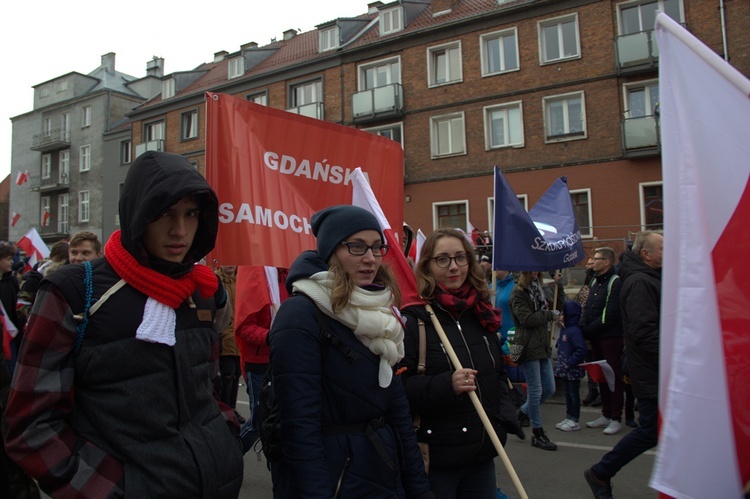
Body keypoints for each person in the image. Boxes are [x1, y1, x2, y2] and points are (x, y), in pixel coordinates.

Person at [3, 151, 244, 498]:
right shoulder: (72, 291)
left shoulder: (201, 291)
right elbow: (31, 425)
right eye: (164, 214)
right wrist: (112, 491)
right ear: (138, 215)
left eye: (191, 214)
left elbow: (205, 391)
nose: (180, 230)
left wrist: (225, 439)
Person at [268, 205, 433, 499]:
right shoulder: (300, 315)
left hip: (382, 469)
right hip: (336, 478)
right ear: (332, 251)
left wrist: (419, 490)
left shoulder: (381, 314)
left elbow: (398, 413)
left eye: (375, 247)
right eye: (356, 247)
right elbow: (299, 427)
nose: (370, 258)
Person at [400, 228, 518, 498]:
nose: (453, 267)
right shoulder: (414, 320)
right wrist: (446, 385)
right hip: (437, 458)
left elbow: (497, 373)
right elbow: (398, 389)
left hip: (482, 453)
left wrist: (504, 417)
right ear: (427, 265)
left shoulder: (481, 312)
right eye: (442, 259)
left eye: (460, 257)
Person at [584, 231, 663, 499]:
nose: (593, 262)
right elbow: (641, 330)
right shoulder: (638, 281)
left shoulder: (640, 278)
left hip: (645, 363)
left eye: (596, 258)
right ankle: (602, 468)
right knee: (651, 429)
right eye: (662, 248)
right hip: (650, 368)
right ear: (646, 254)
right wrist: (587, 329)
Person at [235, 266, 289, 452]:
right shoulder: (256, 275)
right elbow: (243, 327)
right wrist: (272, 336)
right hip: (258, 365)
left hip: (282, 360)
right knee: (258, 424)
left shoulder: (288, 276)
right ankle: (227, 461)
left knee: (280, 423)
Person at [510, 271, 563, 451]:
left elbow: (557, 306)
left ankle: (523, 412)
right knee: (535, 390)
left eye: (536, 271)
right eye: (531, 271)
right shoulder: (518, 293)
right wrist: (549, 315)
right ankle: (537, 432)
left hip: (541, 343)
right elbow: (527, 319)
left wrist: (559, 287)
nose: (535, 274)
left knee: (549, 388)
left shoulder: (539, 289)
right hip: (527, 344)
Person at [580, 247, 625, 435]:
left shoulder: (615, 282)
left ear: (606, 262)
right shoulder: (594, 280)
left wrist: (591, 328)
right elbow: (588, 305)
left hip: (610, 337)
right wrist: (583, 325)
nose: (593, 261)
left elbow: (610, 313)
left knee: (613, 376)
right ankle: (605, 414)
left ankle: (616, 417)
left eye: (596, 258)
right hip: (596, 337)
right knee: (602, 377)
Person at [553, 300, 587, 432]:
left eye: (563, 313)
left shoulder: (574, 331)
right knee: (568, 394)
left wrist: (571, 362)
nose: (561, 315)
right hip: (565, 370)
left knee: (573, 394)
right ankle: (569, 416)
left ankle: (574, 418)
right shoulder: (565, 330)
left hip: (572, 370)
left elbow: (581, 350)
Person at [215, 265, 241, 413]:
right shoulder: (218, 281)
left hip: (237, 336)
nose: (230, 265)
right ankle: (225, 409)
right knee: (228, 375)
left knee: (236, 374)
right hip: (225, 336)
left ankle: (232, 408)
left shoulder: (239, 281)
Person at [0, 244, 23, 377]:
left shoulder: (12, 281)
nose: (12, 262)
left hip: (10, 334)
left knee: (12, 373)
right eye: (8, 259)